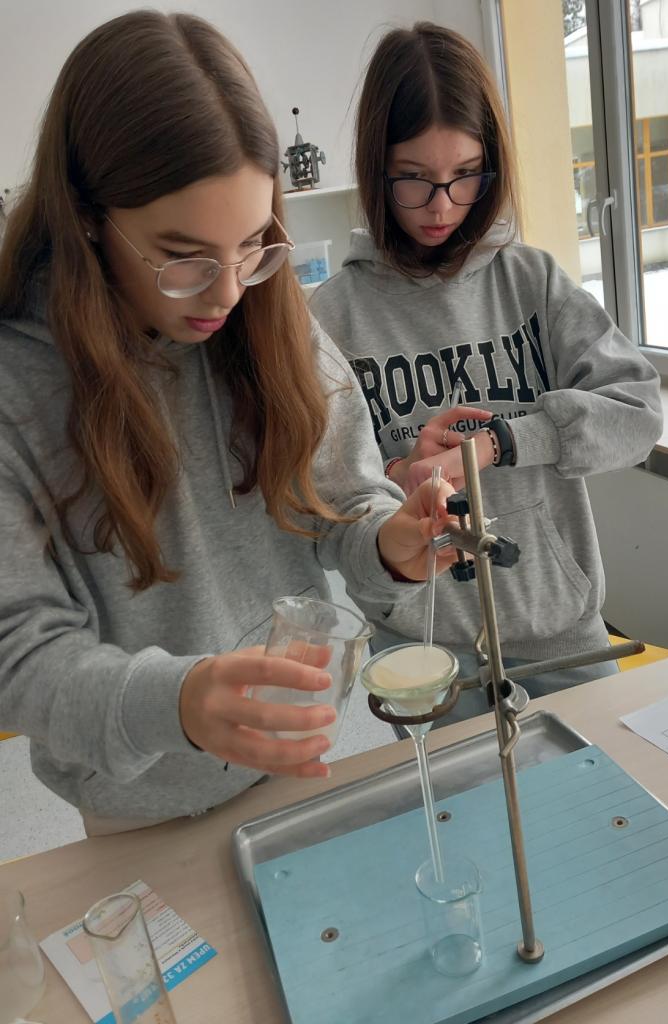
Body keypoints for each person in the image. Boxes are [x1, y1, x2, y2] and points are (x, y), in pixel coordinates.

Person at [0, 11, 456, 832]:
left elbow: (344, 501)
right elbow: (21, 654)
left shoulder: (266, 311)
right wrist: (176, 703)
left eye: (251, 244)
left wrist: (391, 540)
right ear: (87, 216)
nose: (227, 292)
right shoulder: (17, 388)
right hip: (134, 806)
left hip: (293, 758)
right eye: (183, 256)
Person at [311, 22, 664, 713]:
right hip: (425, 652)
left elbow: (638, 414)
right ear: (375, 169)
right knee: (455, 790)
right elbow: (327, 505)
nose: (442, 205)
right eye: (414, 179)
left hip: (564, 631)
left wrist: (501, 442)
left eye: (465, 174)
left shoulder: (531, 280)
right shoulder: (331, 318)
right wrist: (401, 477)